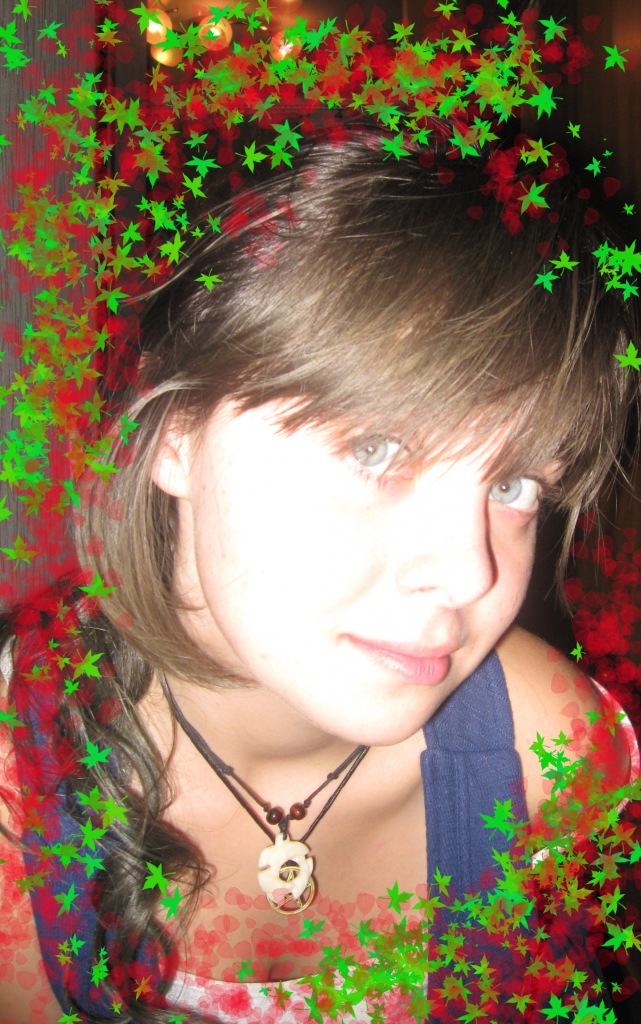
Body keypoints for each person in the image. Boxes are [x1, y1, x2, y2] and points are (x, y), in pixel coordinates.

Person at [0, 127, 638, 1024]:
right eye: (374, 449)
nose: (468, 573)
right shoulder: (19, 789)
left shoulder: (560, 762)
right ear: (174, 432)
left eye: (514, 485)